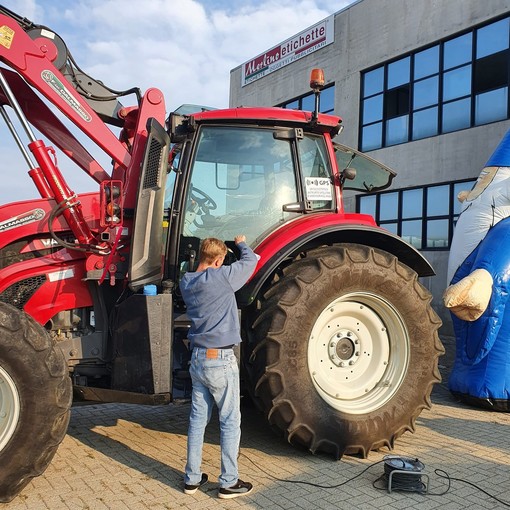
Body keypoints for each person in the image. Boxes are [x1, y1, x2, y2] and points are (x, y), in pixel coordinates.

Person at [179, 235, 258, 499]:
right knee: (230, 421)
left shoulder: (186, 282)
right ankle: (228, 482)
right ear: (218, 260)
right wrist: (241, 243)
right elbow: (250, 262)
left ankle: (191, 479)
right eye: (222, 260)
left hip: (198, 359)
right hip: (220, 360)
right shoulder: (222, 277)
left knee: (197, 420)